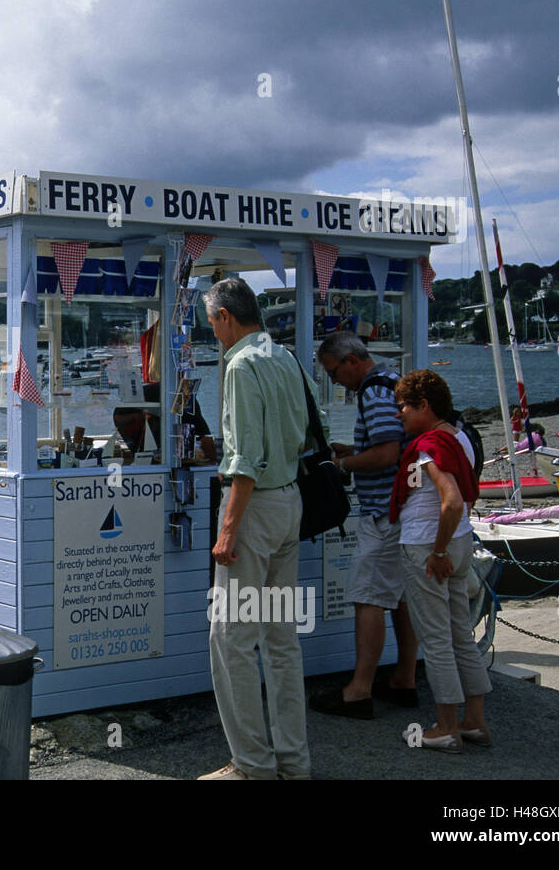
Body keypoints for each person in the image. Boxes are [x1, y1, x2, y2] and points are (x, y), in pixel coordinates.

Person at [198, 277, 312, 780]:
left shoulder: (241, 364)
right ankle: (293, 761)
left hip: (256, 507)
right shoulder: (283, 355)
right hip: (289, 502)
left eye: (212, 324)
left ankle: (252, 765)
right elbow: (308, 429)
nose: (213, 334)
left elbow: (243, 459)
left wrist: (228, 530)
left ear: (226, 317)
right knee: (281, 639)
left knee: (231, 641)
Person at [309, 332, 418, 719]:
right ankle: (404, 679)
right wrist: (355, 450)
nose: (334, 381)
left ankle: (359, 691)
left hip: (383, 511)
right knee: (401, 597)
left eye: (333, 372)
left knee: (368, 595)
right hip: (405, 509)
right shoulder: (393, 381)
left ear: (351, 360)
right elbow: (395, 445)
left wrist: (344, 465)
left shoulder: (372, 392)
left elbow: (388, 453)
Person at [390, 370, 491, 752]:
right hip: (461, 539)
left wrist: (438, 551)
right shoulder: (459, 436)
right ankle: (475, 721)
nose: (399, 413)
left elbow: (449, 499)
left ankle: (446, 726)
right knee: (460, 634)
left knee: (434, 639)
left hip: (428, 545)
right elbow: (467, 496)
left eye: (404, 406)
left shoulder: (429, 445)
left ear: (423, 406)